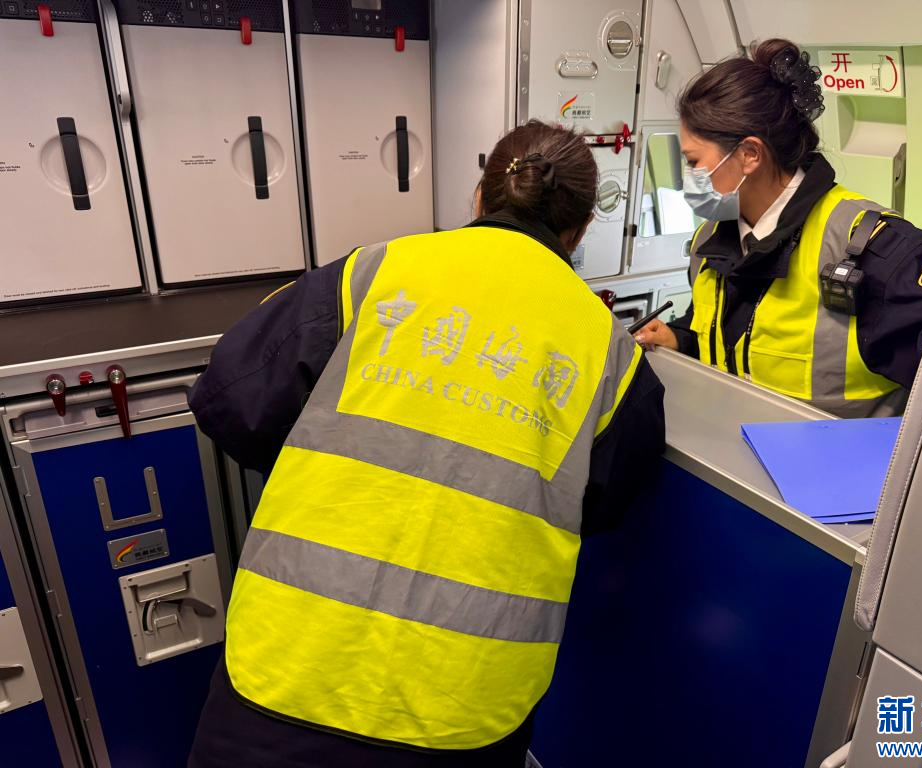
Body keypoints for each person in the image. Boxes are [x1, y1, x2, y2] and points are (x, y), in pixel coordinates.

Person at [186, 120, 665, 768]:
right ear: (579, 230)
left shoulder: (371, 273)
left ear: (480, 195)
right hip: (463, 706)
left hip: (288, 668)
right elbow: (605, 504)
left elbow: (230, 399)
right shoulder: (612, 354)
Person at [635, 39, 922, 417]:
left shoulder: (873, 248)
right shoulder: (709, 242)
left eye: (694, 161)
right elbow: (727, 341)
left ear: (749, 155)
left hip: (840, 455)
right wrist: (679, 340)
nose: (688, 177)